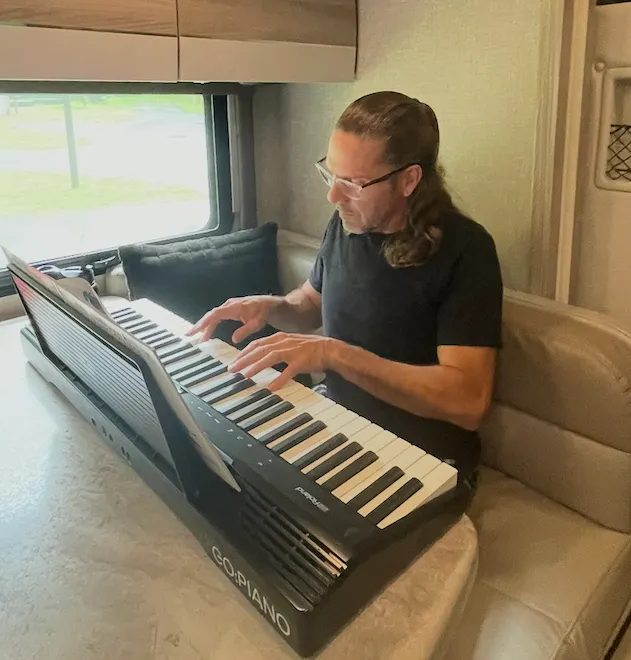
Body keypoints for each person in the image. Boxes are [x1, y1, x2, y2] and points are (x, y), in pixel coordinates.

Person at [191, 90, 502, 481]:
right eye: (331, 174)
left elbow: (468, 401)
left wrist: (336, 355)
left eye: (353, 183)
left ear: (409, 180)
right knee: (222, 461)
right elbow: (308, 305)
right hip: (339, 422)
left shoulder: (466, 250)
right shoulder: (346, 224)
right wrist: (268, 306)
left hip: (421, 456)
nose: (333, 195)